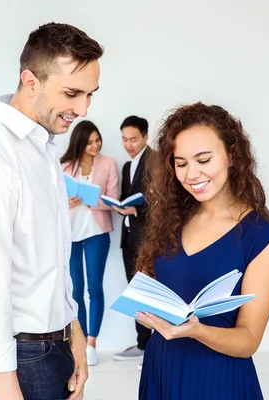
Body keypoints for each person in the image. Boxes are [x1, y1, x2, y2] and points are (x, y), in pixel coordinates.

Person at [0, 22, 103, 400]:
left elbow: (47, 262)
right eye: (72, 93)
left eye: (90, 94)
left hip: (49, 348)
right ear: (30, 81)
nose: (83, 109)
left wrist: (73, 330)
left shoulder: (43, 146)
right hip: (13, 361)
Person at [134, 103, 269, 399]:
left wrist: (196, 330)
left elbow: (248, 341)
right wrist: (145, 311)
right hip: (162, 366)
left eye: (203, 159)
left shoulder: (260, 238)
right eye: (181, 163)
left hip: (216, 378)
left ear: (231, 156)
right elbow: (151, 287)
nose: (192, 174)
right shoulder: (172, 220)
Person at [60, 120, 119, 366]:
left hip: (97, 232)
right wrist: (67, 202)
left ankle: (93, 342)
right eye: (90, 141)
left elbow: (114, 200)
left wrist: (92, 200)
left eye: (98, 140)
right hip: (71, 235)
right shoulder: (64, 166)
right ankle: (81, 341)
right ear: (80, 142)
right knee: (75, 291)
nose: (95, 145)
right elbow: (52, 202)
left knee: (94, 287)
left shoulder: (108, 164)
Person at [112, 115, 154, 364]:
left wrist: (136, 210)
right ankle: (143, 344)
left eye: (134, 139)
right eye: (124, 140)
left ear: (146, 137)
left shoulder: (156, 161)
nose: (128, 144)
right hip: (129, 237)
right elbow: (126, 197)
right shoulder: (128, 166)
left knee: (150, 292)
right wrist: (118, 206)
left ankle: (154, 347)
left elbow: (164, 200)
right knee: (135, 293)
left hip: (148, 238)